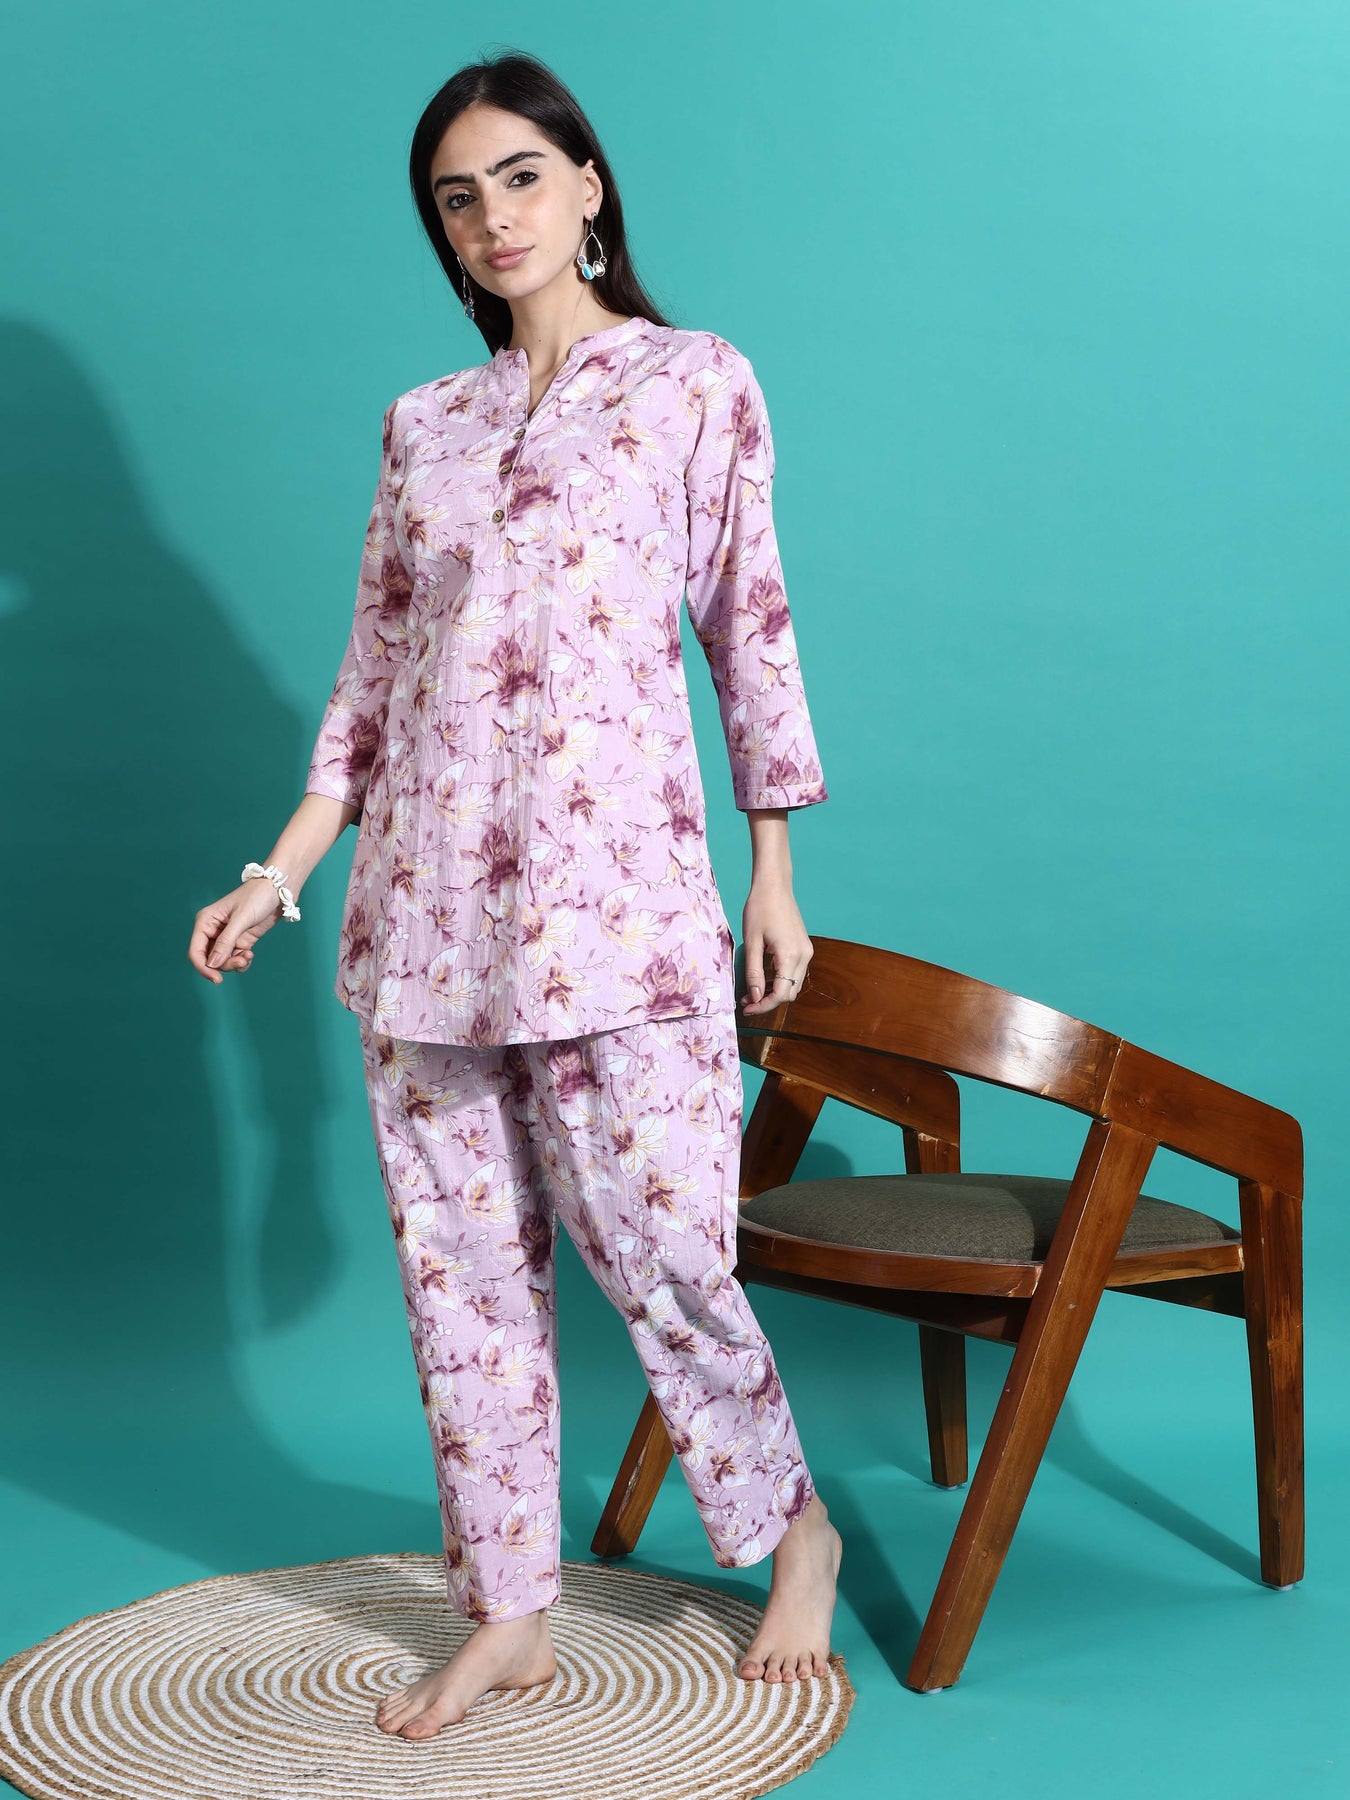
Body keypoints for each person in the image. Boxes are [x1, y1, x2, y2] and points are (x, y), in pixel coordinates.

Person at [188, 49, 842, 1738]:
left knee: (666, 1251)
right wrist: (277, 872)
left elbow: (749, 627)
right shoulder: (426, 424)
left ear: (589, 185)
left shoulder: (694, 382)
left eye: (521, 177)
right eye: (457, 197)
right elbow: (373, 682)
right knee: (460, 1280)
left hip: (621, 909)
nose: (492, 217)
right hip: (420, 917)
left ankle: (794, 1531)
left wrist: (772, 865)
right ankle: (511, 1610)